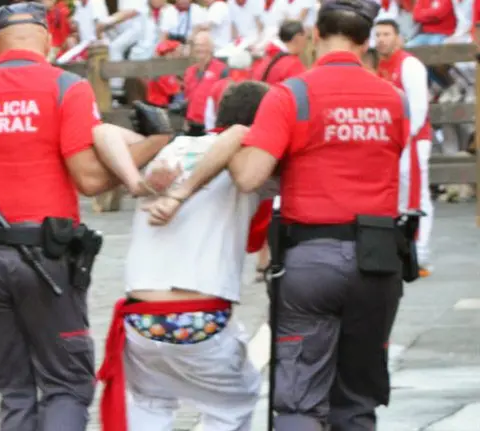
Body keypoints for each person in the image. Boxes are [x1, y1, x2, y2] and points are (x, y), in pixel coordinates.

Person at [145, 0, 421, 429]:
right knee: (358, 401)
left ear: (314, 34)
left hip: (311, 255)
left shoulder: (292, 94)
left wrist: (237, 140)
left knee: (300, 402)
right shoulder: (396, 100)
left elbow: (251, 178)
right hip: (379, 258)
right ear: (368, 41)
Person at [0, 3, 174, 430]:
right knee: (66, 385)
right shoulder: (65, 88)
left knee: (15, 387)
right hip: (45, 257)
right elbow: (90, 180)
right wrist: (154, 143)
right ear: (48, 41)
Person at [97, 81, 269, 431]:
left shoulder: (169, 149)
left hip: (140, 321)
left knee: (150, 403)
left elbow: (101, 130)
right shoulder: (252, 162)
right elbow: (238, 134)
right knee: (233, 403)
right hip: (199, 319)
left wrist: (135, 182)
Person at [374, 18, 434, 276]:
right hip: (392, 141)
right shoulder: (379, 66)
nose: (382, 39)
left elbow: (419, 107)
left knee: (417, 194)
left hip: (413, 139)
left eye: (387, 34)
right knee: (397, 195)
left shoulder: (409, 64)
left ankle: (420, 253)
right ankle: (402, 250)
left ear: (398, 37)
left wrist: (405, 137)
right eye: (378, 35)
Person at [183, 31, 228, 136]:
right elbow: (187, 98)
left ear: (211, 48)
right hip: (192, 126)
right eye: (197, 45)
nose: (199, 49)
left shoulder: (222, 70)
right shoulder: (189, 71)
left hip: (211, 126)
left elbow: (225, 100)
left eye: (203, 45)